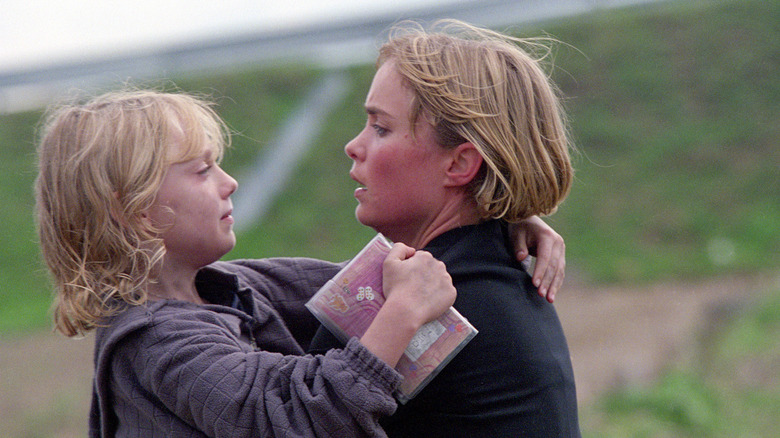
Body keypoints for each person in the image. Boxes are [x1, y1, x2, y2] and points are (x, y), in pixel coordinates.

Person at [35, 89, 566, 437]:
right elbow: (295, 418)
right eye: (201, 171)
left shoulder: (231, 287)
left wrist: (500, 215)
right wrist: (402, 314)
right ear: (131, 211)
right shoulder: (155, 344)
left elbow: (371, 284)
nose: (229, 182)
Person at [311, 20, 581, 436]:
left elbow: (287, 417)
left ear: (459, 165)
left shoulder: (431, 304)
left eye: (381, 128)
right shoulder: (493, 274)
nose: (354, 146)